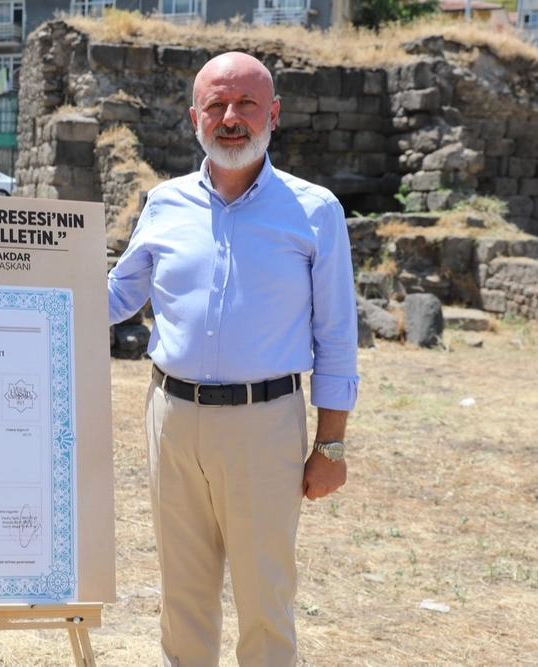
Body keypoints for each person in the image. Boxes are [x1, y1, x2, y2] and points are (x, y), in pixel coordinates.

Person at [106, 52, 359, 667]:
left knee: (265, 599)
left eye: (246, 103)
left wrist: (330, 446)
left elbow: (336, 335)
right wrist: (22, 288)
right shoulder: (163, 204)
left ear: (273, 114)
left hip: (263, 424)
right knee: (182, 595)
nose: (230, 117)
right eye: (216, 104)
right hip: (170, 419)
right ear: (194, 115)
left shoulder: (315, 211)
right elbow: (116, 297)